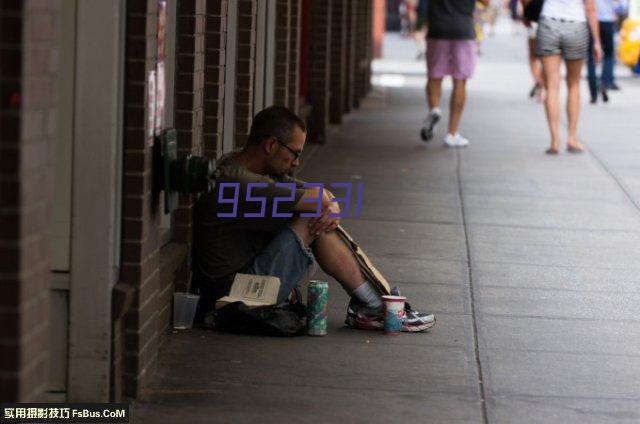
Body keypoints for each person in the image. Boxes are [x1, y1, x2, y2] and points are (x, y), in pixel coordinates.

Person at [193, 106, 435, 332]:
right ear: (270, 145)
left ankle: (374, 303)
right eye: (295, 154)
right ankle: (373, 305)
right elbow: (318, 201)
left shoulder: (249, 168)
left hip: (244, 282)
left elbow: (322, 194)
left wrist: (332, 205)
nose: (297, 163)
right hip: (231, 297)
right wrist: (327, 205)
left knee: (316, 213)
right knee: (312, 218)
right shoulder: (240, 183)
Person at [533, 0, 603, 154]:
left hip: (548, 23)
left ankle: (555, 141)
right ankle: (571, 138)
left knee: (551, 85)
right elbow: (590, 8)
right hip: (576, 25)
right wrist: (597, 42)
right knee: (574, 84)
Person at [420, 0, 490, 147]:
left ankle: (434, 109)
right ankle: (451, 134)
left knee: (434, 76)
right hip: (463, 30)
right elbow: (486, 2)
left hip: (437, 28)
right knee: (460, 80)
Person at [587, 0, 625, 103]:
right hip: (608, 21)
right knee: (609, 55)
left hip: (592, 20)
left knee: (591, 57)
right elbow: (621, 7)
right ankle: (604, 83)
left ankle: (593, 94)